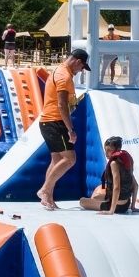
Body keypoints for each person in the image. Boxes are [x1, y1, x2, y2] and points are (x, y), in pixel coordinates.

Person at [37, 48, 90, 210]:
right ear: (78, 61)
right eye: (82, 67)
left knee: (56, 161)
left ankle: (48, 199)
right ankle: (45, 190)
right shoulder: (64, 76)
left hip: (47, 122)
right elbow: (61, 105)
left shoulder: (59, 70)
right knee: (70, 159)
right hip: (55, 122)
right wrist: (70, 129)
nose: (81, 71)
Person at [79, 135, 137, 214]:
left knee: (82, 201)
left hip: (118, 207)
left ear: (117, 150)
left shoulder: (114, 163)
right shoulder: (126, 161)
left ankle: (111, 206)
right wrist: (133, 207)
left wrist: (111, 211)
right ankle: (126, 205)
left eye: (109, 150)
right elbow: (136, 185)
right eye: (105, 150)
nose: (106, 153)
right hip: (126, 204)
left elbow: (117, 188)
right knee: (96, 197)